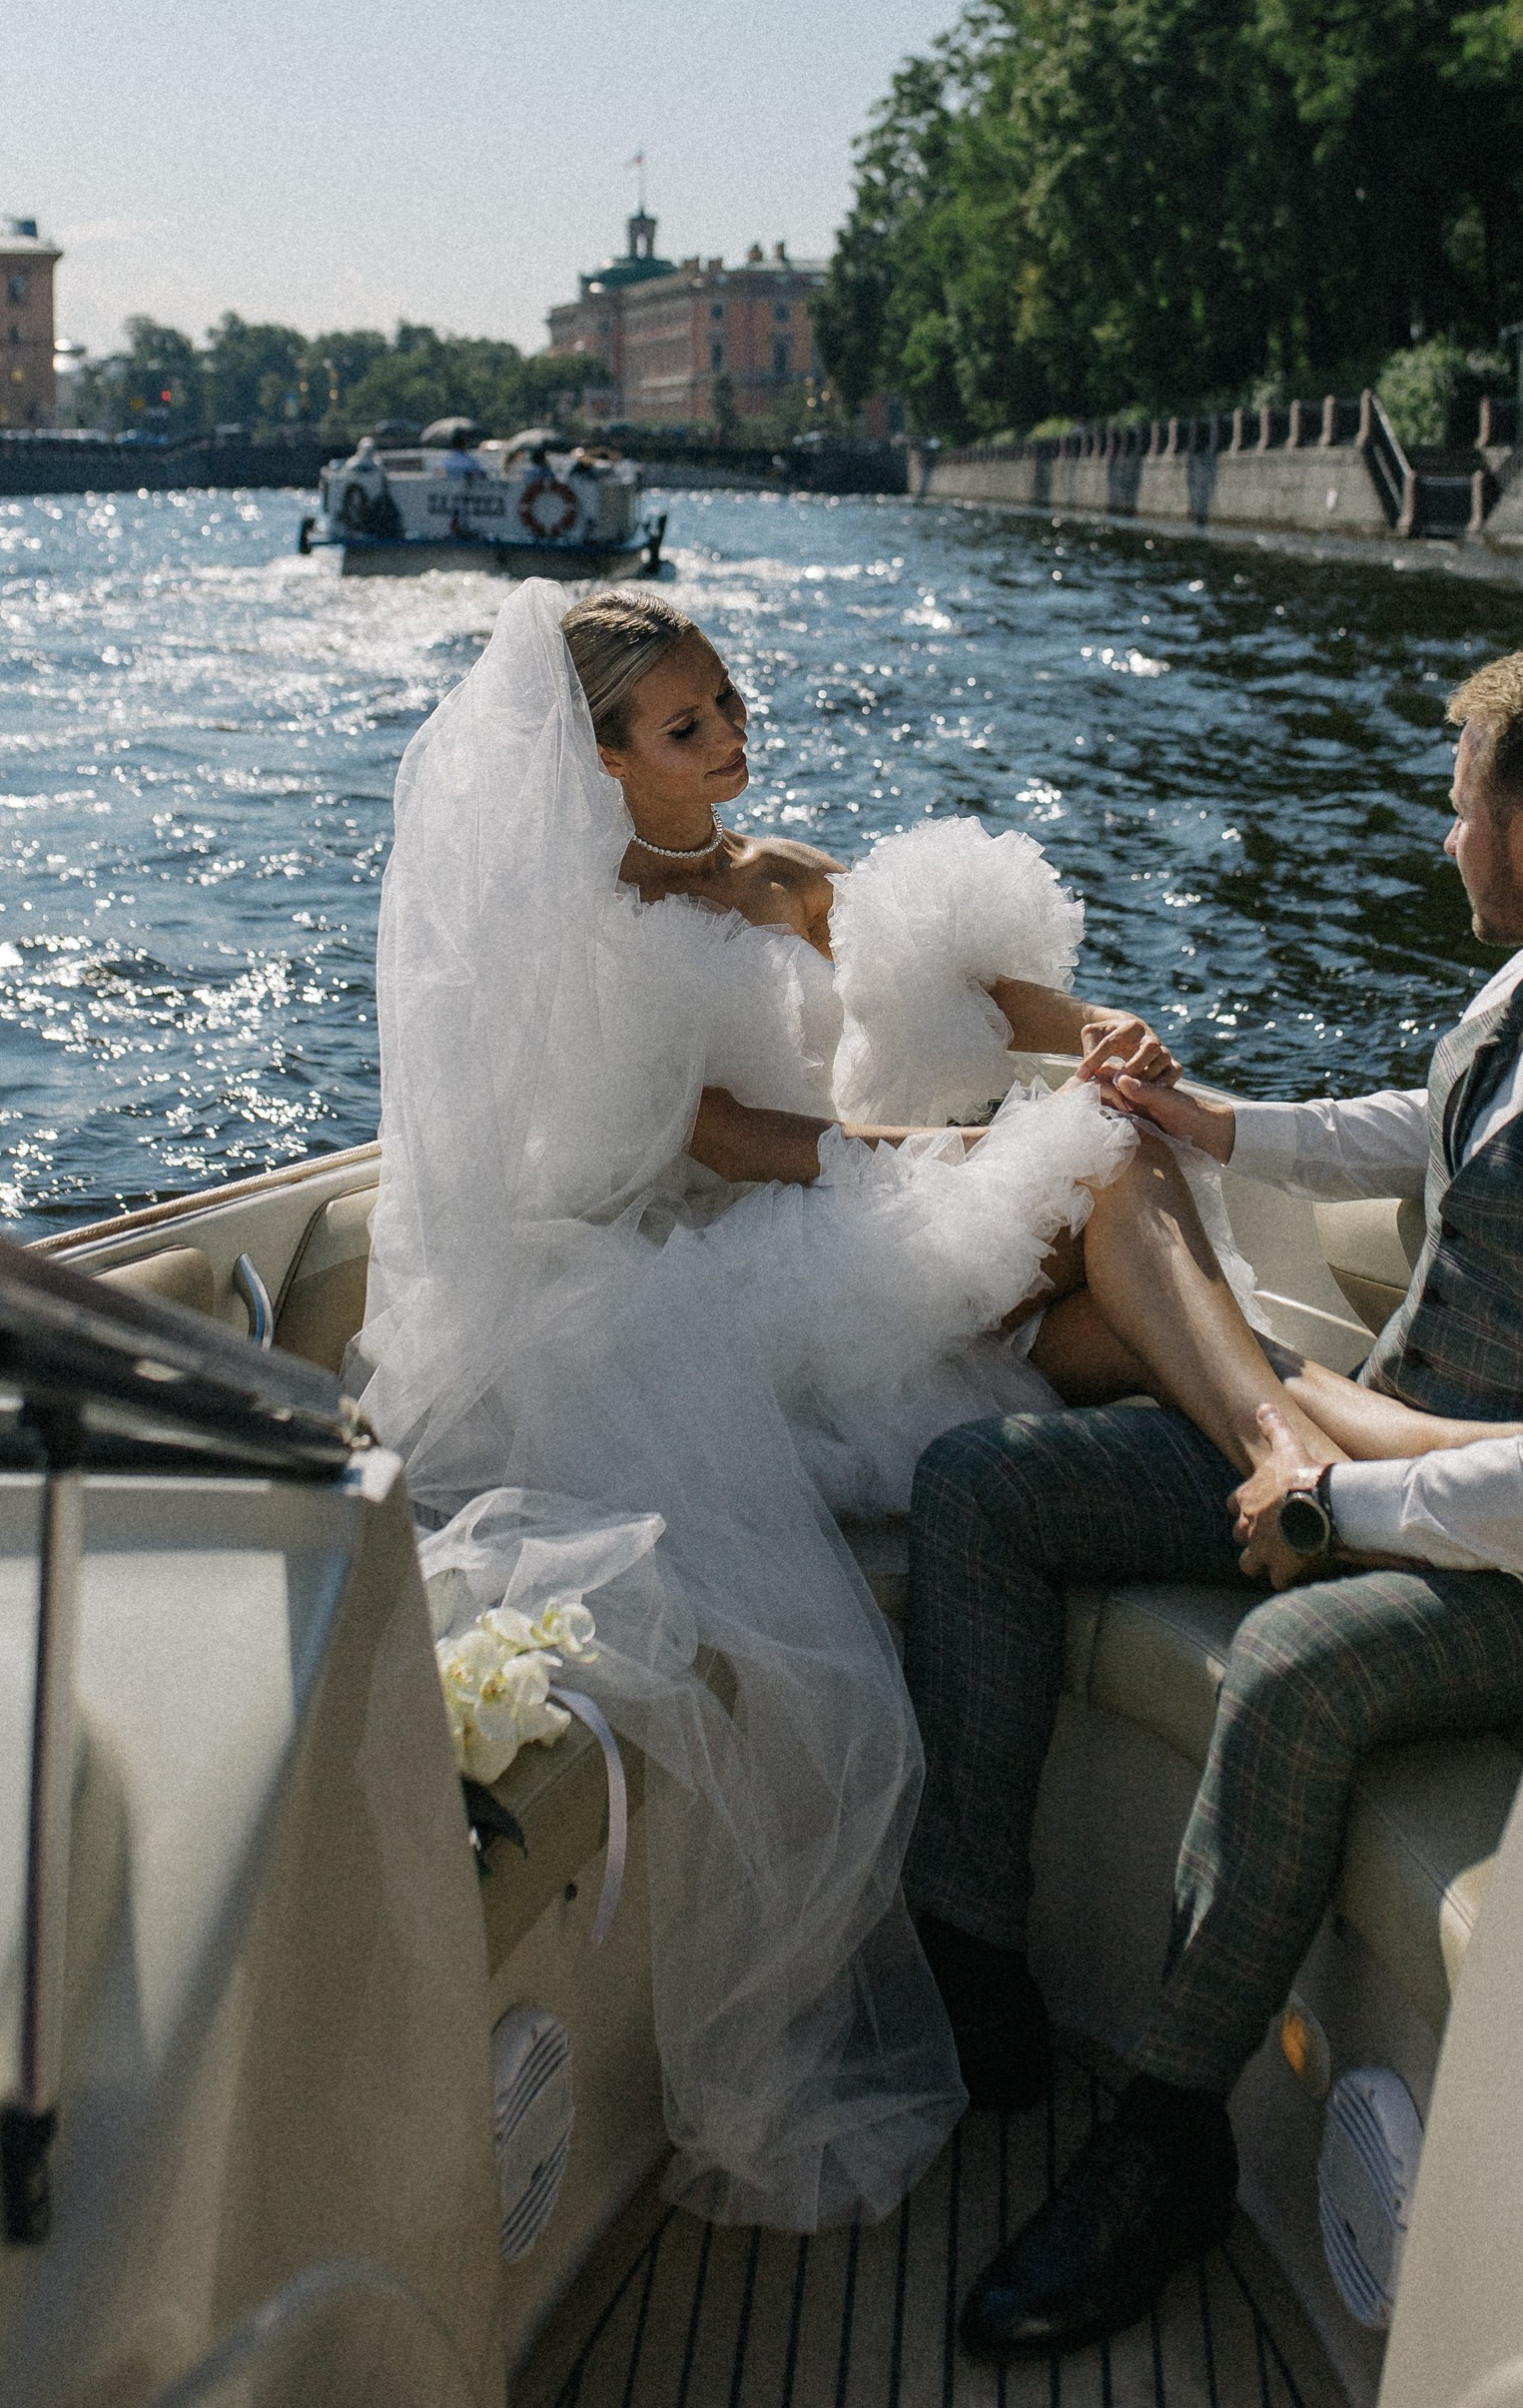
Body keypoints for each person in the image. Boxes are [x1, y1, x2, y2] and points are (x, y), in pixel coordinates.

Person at [358, 578, 1318, 2231]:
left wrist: (1094, 1027)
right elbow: (731, 1141)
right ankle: (1311, 1438)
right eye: (688, 726)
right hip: (729, 1271)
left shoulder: (783, 872)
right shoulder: (586, 926)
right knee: (1100, 1172)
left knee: (1112, 1210)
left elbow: (962, 996)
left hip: (839, 1209)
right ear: (603, 761)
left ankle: (1311, 1441)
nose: (730, 736)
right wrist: (951, 1159)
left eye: (729, 702)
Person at [900, 641, 1523, 2362]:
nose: (1441, 836)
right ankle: (974, 1950)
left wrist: (1331, 1502)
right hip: (1368, 1453)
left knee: (1291, 1671)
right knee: (983, 1488)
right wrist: (1205, 1122)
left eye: (1458, 809)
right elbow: (1430, 1127)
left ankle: (1167, 2140)